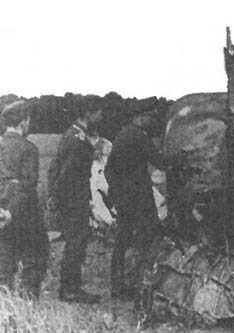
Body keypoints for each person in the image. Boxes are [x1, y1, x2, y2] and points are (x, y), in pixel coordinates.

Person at [104, 110, 169, 300]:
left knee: (122, 242)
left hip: (125, 200)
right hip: (139, 199)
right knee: (149, 239)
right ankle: (143, 283)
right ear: (139, 117)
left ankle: (118, 287)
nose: (151, 121)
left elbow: (109, 170)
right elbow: (160, 162)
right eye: (149, 117)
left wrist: (118, 194)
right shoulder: (139, 137)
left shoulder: (122, 135)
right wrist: (180, 159)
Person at [47, 98, 103, 304]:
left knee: (75, 243)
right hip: (73, 200)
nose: (102, 117)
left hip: (71, 198)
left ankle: (70, 287)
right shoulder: (78, 140)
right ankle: (70, 289)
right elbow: (66, 173)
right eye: (98, 112)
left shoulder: (72, 135)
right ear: (88, 113)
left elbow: (55, 168)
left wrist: (54, 195)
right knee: (76, 244)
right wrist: (57, 199)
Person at [0, 100, 49, 299]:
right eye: (28, 120)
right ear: (23, 122)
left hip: (2, 211)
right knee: (36, 255)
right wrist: (11, 211)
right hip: (24, 214)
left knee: (5, 256)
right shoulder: (29, 149)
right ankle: (28, 304)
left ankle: (5, 306)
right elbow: (27, 185)